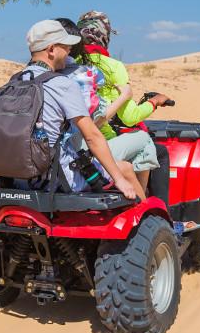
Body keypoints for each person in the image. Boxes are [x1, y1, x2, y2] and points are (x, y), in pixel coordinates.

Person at [21, 19, 141, 200]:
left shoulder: (18, 79)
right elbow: (92, 136)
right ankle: (153, 220)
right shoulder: (62, 84)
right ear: (52, 49)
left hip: (18, 177)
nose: (70, 51)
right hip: (55, 179)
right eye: (66, 46)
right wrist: (119, 179)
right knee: (125, 170)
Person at [75, 10, 172, 206]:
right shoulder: (113, 66)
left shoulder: (68, 64)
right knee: (152, 146)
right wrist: (154, 102)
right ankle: (154, 209)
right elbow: (130, 117)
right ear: (104, 35)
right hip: (96, 143)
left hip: (73, 143)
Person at [54, 17, 159, 195]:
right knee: (144, 139)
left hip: (53, 155)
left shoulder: (44, 74)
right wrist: (152, 102)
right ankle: (148, 206)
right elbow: (127, 117)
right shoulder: (87, 73)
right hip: (80, 151)